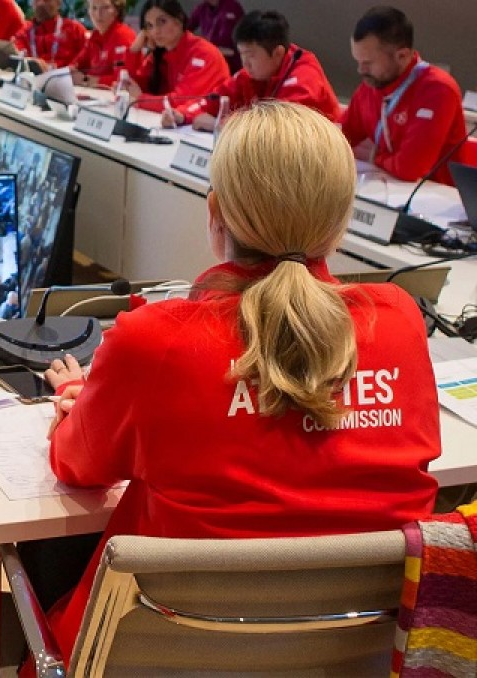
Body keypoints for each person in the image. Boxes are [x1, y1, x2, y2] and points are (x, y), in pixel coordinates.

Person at [39, 102, 440, 671]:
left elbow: (78, 467)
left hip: (165, 658)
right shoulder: (398, 321)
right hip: (353, 662)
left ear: (215, 212)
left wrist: (75, 408)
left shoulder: (153, 340)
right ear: (341, 220)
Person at [339, 6, 467, 185]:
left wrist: (374, 156)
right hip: (387, 188)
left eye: (368, 63)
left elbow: (409, 168)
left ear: (402, 56)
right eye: (358, 61)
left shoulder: (438, 90)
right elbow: (338, 138)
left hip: (434, 194)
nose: (361, 70)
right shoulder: (372, 85)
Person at [161, 10, 339, 130]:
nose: (245, 64)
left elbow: (275, 131)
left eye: (251, 55)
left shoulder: (304, 77)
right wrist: (182, 115)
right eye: (242, 55)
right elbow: (214, 99)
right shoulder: (251, 74)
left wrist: (219, 124)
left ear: (277, 53)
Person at [124, 0, 229, 114]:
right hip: (178, 121)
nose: (155, 31)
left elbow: (181, 101)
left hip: (213, 121)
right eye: (150, 26)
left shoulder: (204, 54)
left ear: (179, 20)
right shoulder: (161, 53)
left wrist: (140, 99)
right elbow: (132, 85)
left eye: (162, 22)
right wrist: (134, 51)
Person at [69, 0, 135, 88]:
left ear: (116, 11)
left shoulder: (123, 36)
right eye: (94, 8)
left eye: (105, 7)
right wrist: (70, 71)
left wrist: (85, 79)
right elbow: (76, 65)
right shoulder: (95, 36)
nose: (98, 14)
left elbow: (123, 80)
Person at [11, 0, 86, 71]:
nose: (41, 4)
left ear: (58, 3)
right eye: (37, 0)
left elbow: (87, 62)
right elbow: (17, 60)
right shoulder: (23, 33)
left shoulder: (75, 30)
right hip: (32, 78)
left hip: (68, 78)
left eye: (47, 0)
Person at [189, 0, 244, 72]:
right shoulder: (201, 9)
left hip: (232, 61)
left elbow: (244, 32)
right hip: (212, 59)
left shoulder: (233, 6)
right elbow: (186, 29)